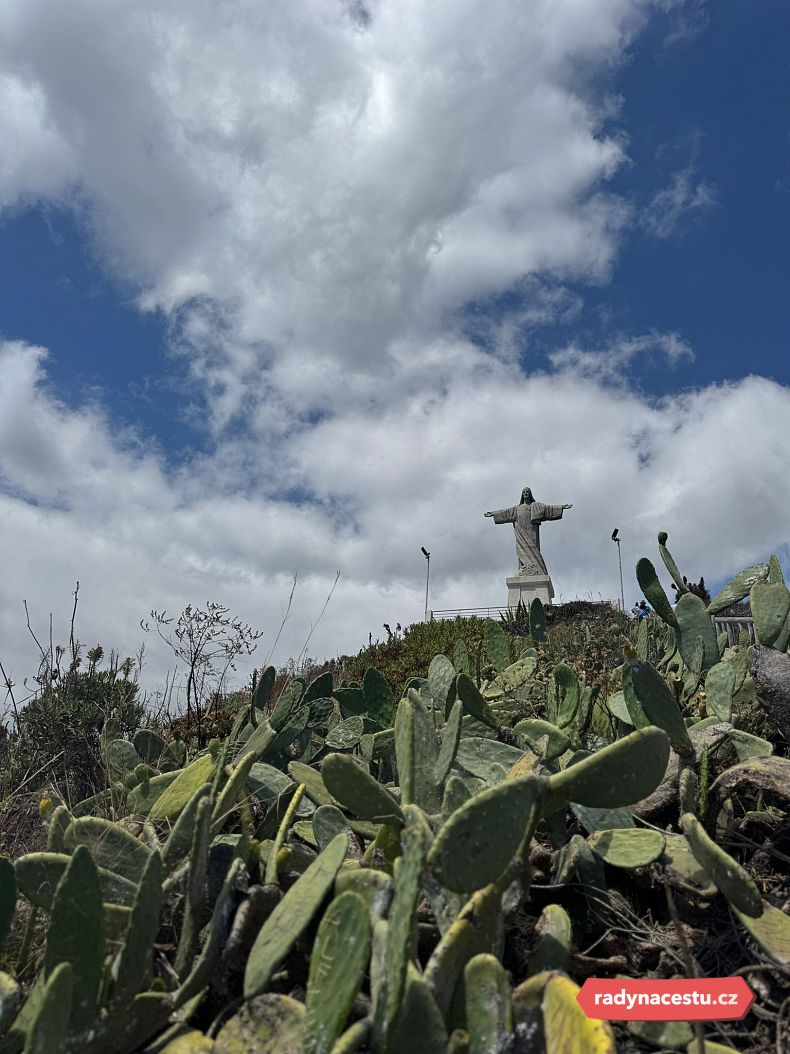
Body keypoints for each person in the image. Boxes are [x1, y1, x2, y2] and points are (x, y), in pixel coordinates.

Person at [484, 487, 573, 576]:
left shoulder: (536, 507)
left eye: (527, 492)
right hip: (521, 535)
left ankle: (536, 570)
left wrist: (562, 507)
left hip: (532, 533)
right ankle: (524, 570)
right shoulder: (517, 509)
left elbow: (548, 509)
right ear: (522, 495)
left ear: (530, 494)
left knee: (534, 551)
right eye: (524, 492)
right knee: (522, 553)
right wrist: (493, 514)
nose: (525, 493)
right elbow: (506, 513)